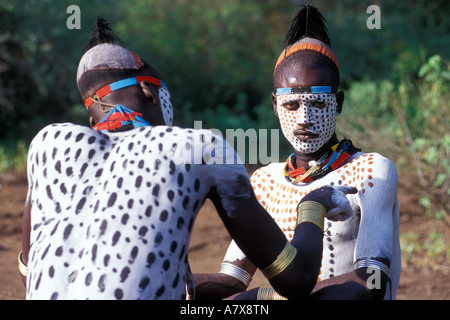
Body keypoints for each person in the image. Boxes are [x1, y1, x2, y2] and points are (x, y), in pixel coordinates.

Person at [19, 18, 357, 300]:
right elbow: (295, 280)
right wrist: (314, 205)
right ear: (151, 94)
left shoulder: (46, 145)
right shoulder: (197, 146)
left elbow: (34, 271)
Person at [194, 5, 401, 300]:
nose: (304, 118)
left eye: (317, 104)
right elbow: (232, 281)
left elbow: (372, 282)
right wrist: (178, 283)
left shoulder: (370, 172)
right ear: (275, 106)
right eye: (291, 105)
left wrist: (269, 298)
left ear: (338, 103)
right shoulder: (265, 182)